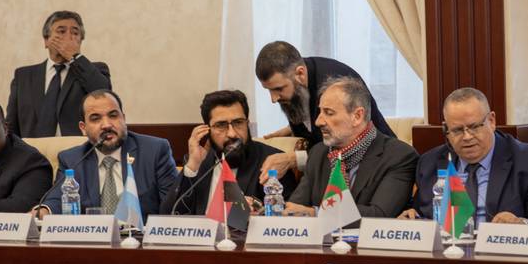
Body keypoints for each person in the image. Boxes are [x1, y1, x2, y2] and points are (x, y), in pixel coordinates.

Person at [404, 88, 528, 225]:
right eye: (457, 130)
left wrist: (522, 224)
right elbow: (422, 215)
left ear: (491, 121)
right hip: (447, 255)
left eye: (474, 127)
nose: (467, 137)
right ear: (446, 129)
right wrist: (411, 219)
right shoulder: (430, 163)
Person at [254, 41, 395, 180]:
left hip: (376, 169)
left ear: (300, 74)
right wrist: (294, 127)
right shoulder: (298, 86)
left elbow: (344, 145)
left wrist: (294, 159)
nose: (273, 98)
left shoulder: (334, 84)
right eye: (269, 90)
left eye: (278, 89)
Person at [284, 76, 417, 220]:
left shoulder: (399, 156)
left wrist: (316, 213)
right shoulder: (319, 153)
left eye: (329, 113)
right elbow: (296, 207)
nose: (318, 121)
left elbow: (380, 214)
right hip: (319, 241)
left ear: (357, 116)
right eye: (320, 112)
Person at [39, 90, 178, 220]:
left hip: (139, 240)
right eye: (95, 119)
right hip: (92, 241)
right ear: (83, 128)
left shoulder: (154, 151)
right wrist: (42, 211)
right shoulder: (72, 159)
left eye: (113, 115)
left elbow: (172, 204)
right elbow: (56, 199)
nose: (106, 125)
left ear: (123, 119)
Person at [161, 90, 297, 215]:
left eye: (238, 123)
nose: (232, 133)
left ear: (247, 123)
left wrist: (260, 212)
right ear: (207, 130)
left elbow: (288, 216)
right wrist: (192, 166)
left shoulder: (272, 162)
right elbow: (168, 215)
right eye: (221, 125)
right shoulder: (200, 162)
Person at [6, 11, 112, 137]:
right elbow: (12, 124)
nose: (68, 37)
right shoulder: (23, 76)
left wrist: (75, 57)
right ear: (46, 40)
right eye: (61, 32)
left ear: (80, 41)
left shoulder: (95, 69)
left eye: (75, 33)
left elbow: (103, 95)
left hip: (78, 151)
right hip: (33, 153)